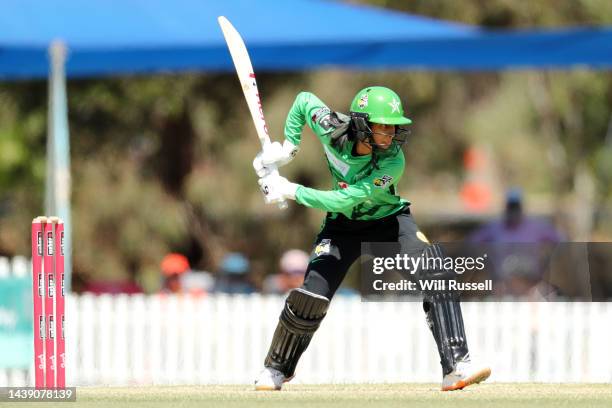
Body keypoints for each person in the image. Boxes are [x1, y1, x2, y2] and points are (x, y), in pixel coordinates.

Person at [252, 87, 491, 391]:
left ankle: (456, 367)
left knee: (436, 273)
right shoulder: (331, 126)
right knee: (310, 296)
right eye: (382, 126)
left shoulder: (393, 162)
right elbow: (302, 101)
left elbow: (343, 199)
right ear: (362, 124)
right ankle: (276, 369)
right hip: (340, 229)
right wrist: (288, 148)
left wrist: (289, 190)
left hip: (389, 224)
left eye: (393, 126)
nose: (390, 135)